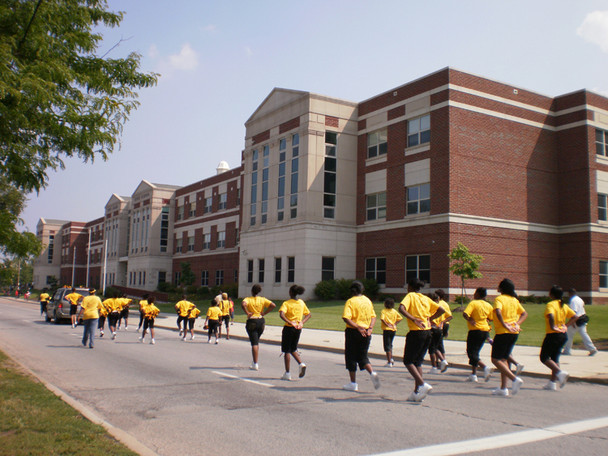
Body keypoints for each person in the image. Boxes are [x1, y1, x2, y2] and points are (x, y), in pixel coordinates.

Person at [399, 277, 445, 402]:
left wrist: (413, 318)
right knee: (418, 362)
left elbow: (401, 308)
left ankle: (422, 384)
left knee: (408, 361)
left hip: (416, 332)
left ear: (410, 287)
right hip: (427, 332)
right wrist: (430, 318)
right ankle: (417, 392)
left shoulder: (410, 296)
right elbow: (441, 310)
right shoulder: (425, 298)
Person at [491, 278, 528, 397]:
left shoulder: (499, 299)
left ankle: (514, 379)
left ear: (501, 288)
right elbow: (524, 313)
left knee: (495, 359)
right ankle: (503, 388)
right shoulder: (514, 300)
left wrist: (503, 324)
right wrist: (517, 323)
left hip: (503, 332)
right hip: (514, 333)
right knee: (504, 359)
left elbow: (498, 311)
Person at [342, 280, 381, 392]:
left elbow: (346, 317)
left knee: (351, 356)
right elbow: (373, 316)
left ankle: (353, 383)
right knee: (363, 356)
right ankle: (373, 373)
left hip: (354, 331)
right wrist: (370, 328)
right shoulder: (367, 300)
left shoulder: (351, 301)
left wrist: (358, 327)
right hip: (366, 332)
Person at [541, 286, 577, 390]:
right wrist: (566, 325)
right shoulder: (563, 306)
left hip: (553, 334)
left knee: (544, 357)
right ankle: (552, 383)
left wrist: (553, 326)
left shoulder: (551, 304)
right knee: (555, 358)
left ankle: (560, 373)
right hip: (562, 335)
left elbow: (551, 316)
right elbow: (575, 316)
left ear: (551, 295)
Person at [279, 285, 311, 380]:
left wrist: (289, 322)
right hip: (298, 328)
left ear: (290, 292)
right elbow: (309, 314)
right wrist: (302, 322)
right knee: (293, 348)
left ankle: (287, 373)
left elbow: (281, 314)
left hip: (289, 328)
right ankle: (301, 364)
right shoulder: (301, 302)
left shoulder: (287, 303)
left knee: (286, 351)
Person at [242, 284, 276, 370]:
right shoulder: (262, 299)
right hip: (261, 321)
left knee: (254, 343)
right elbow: (273, 305)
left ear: (252, 291)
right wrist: (265, 313)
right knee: (256, 341)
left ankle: (255, 363)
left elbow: (243, 304)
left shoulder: (248, 299)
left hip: (252, 321)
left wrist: (247, 312)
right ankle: (255, 360)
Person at [462, 287, 493, 382]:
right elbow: (491, 318)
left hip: (475, 330)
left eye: (475, 292)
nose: (474, 294)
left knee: (471, 353)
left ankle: (485, 367)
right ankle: (473, 374)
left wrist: (470, 319)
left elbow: (465, 313)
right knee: (475, 352)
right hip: (485, 331)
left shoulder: (473, 303)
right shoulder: (488, 305)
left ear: (478, 294)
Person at [562, 288, 598, 356]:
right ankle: (592, 349)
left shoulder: (573, 301)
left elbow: (574, 313)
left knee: (569, 335)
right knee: (584, 334)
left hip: (576, 320)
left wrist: (570, 323)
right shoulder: (579, 299)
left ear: (570, 293)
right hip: (582, 319)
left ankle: (567, 351)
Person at [428, 292, 452, 374]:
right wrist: (442, 322)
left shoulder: (431, 307)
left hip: (432, 328)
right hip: (439, 328)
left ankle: (434, 366)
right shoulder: (441, 306)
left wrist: (431, 319)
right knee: (437, 346)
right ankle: (443, 360)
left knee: (431, 349)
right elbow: (449, 316)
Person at [380, 297, 402, 367]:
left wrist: (387, 324)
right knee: (390, 344)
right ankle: (391, 358)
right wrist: (395, 323)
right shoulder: (394, 311)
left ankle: (389, 362)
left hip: (387, 329)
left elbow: (382, 319)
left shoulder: (384, 311)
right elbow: (400, 318)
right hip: (393, 329)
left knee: (387, 346)